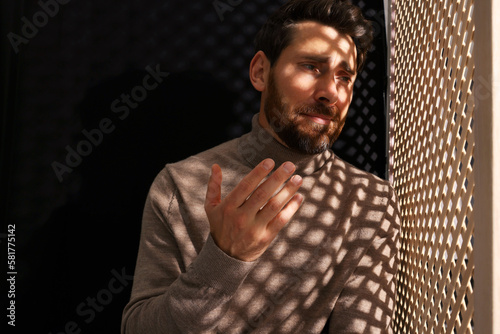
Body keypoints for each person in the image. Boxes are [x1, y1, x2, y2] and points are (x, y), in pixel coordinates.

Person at [121, 0, 401, 333]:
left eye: (345, 77)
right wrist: (223, 260)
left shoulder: (369, 202)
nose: (330, 92)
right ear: (260, 72)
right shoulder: (180, 185)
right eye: (311, 66)